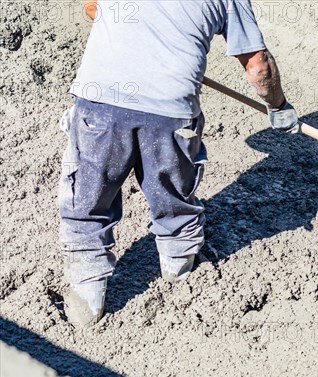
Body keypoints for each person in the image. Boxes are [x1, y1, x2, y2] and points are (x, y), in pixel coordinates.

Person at [59, 0, 298, 326]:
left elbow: (92, 9)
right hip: (169, 110)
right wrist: (278, 105)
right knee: (173, 198)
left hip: (100, 102)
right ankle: (178, 276)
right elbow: (258, 67)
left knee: (87, 200)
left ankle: (87, 307)